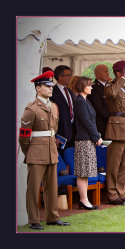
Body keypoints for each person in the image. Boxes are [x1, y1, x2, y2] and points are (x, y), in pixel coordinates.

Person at [19, 71, 70, 230]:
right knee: (34, 189)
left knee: (51, 187)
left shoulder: (54, 107)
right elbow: (24, 135)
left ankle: (52, 217)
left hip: (51, 151)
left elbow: (53, 130)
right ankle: (34, 220)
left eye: (51, 86)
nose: (50, 89)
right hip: (36, 152)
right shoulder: (31, 108)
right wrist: (29, 152)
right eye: (47, 86)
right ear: (38, 88)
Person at [104, 60, 125, 205]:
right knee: (114, 164)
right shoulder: (111, 86)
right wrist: (121, 80)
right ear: (118, 73)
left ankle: (121, 193)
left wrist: (124, 81)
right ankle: (112, 194)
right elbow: (111, 95)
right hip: (116, 128)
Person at [73, 76, 103, 210]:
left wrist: (96, 136)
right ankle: (84, 200)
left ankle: (84, 199)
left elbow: (91, 121)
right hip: (83, 140)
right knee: (83, 171)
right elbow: (86, 122)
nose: (91, 87)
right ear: (82, 86)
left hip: (88, 139)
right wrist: (96, 136)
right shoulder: (80, 101)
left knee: (85, 171)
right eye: (89, 85)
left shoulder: (86, 101)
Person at [50, 65, 76, 149]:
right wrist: (54, 135)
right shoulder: (52, 92)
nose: (70, 77)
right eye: (68, 75)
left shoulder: (70, 92)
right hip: (60, 133)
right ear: (60, 77)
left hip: (73, 131)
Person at [87, 64, 112, 139]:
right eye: (105, 72)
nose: (108, 73)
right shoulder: (94, 88)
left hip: (111, 124)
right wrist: (112, 117)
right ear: (98, 74)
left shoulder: (109, 86)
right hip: (102, 125)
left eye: (108, 71)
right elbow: (99, 108)